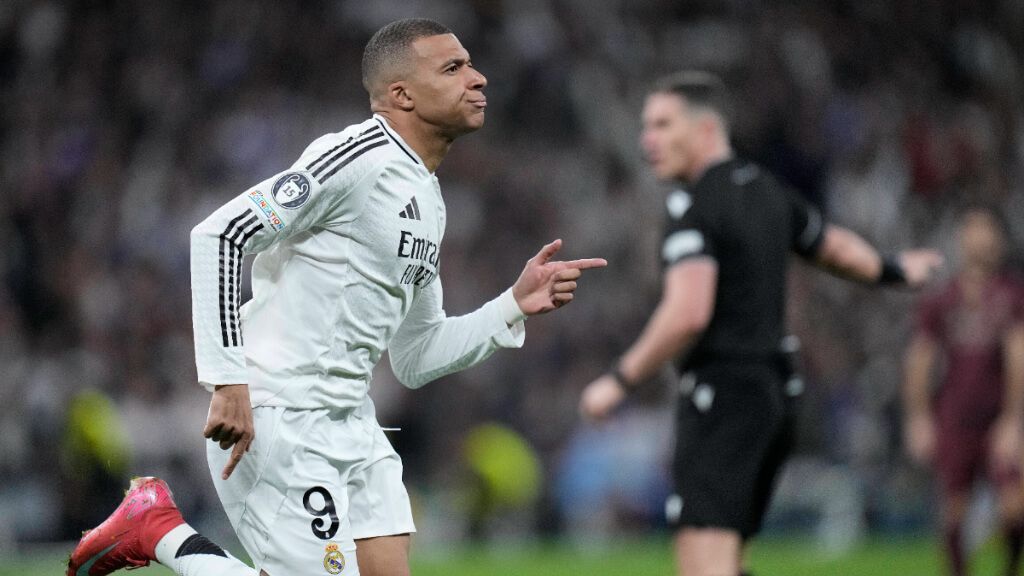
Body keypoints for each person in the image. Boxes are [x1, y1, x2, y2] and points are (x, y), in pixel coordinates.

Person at [68, 18, 606, 576]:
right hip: (280, 414)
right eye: (454, 68)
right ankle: (159, 532)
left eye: (470, 64)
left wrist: (511, 305)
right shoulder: (356, 157)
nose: (479, 78)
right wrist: (228, 379)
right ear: (402, 94)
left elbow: (416, 355)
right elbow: (220, 235)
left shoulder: (430, 197)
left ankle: (156, 529)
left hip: (353, 423)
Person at [578, 71, 942, 576]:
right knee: (731, 558)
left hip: (722, 397)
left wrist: (618, 381)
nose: (648, 140)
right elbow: (832, 246)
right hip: (775, 394)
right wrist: (895, 269)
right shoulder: (767, 190)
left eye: (662, 124)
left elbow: (688, 312)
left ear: (706, 129)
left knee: (706, 566)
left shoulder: (694, 205)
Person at [903, 207, 1024, 576]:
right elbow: (920, 358)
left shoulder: (1011, 294)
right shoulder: (942, 299)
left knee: (1014, 507)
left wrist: (1013, 419)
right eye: (972, 228)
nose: (980, 237)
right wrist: (918, 416)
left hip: (997, 415)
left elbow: (1018, 354)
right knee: (954, 509)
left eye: (987, 228)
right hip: (954, 415)